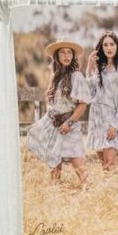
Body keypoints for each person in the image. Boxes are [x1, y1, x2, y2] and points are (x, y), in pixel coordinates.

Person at [25, 40, 92, 190]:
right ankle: (55, 197)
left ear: (73, 56)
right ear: (57, 56)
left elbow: (82, 104)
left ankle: (90, 195)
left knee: (80, 168)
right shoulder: (55, 77)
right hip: (54, 125)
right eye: (62, 52)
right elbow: (51, 101)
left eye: (69, 52)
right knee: (54, 168)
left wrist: (69, 123)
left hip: (69, 125)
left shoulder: (77, 76)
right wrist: (51, 114)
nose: (66, 55)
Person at [84, 30, 118, 171]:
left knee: (111, 166)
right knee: (104, 167)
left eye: (111, 44)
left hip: (111, 121)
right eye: (105, 45)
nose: (109, 48)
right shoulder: (100, 69)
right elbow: (88, 93)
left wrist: (115, 125)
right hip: (96, 120)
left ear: (117, 47)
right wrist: (90, 66)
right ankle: (108, 193)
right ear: (101, 48)